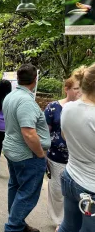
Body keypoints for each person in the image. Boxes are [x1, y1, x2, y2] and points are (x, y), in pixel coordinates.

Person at [2, 64, 50, 232]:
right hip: (27, 155)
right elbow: (29, 133)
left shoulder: (11, 96)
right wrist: (40, 154)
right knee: (28, 193)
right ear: (35, 80)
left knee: (15, 186)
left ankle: (18, 222)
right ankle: (13, 226)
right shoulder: (25, 101)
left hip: (13, 151)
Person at [58, 63, 95, 232]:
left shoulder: (68, 108)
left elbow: (66, 137)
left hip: (71, 176)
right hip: (90, 187)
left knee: (68, 227)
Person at [44, 70, 82, 230]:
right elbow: (45, 132)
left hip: (78, 158)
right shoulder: (53, 107)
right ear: (66, 89)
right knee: (57, 191)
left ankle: (73, 220)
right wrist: (43, 155)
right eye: (75, 88)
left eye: (81, 88)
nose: (79, 92)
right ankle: (59, 221)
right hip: (57, 156)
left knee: (77, 193)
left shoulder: (84, 108)